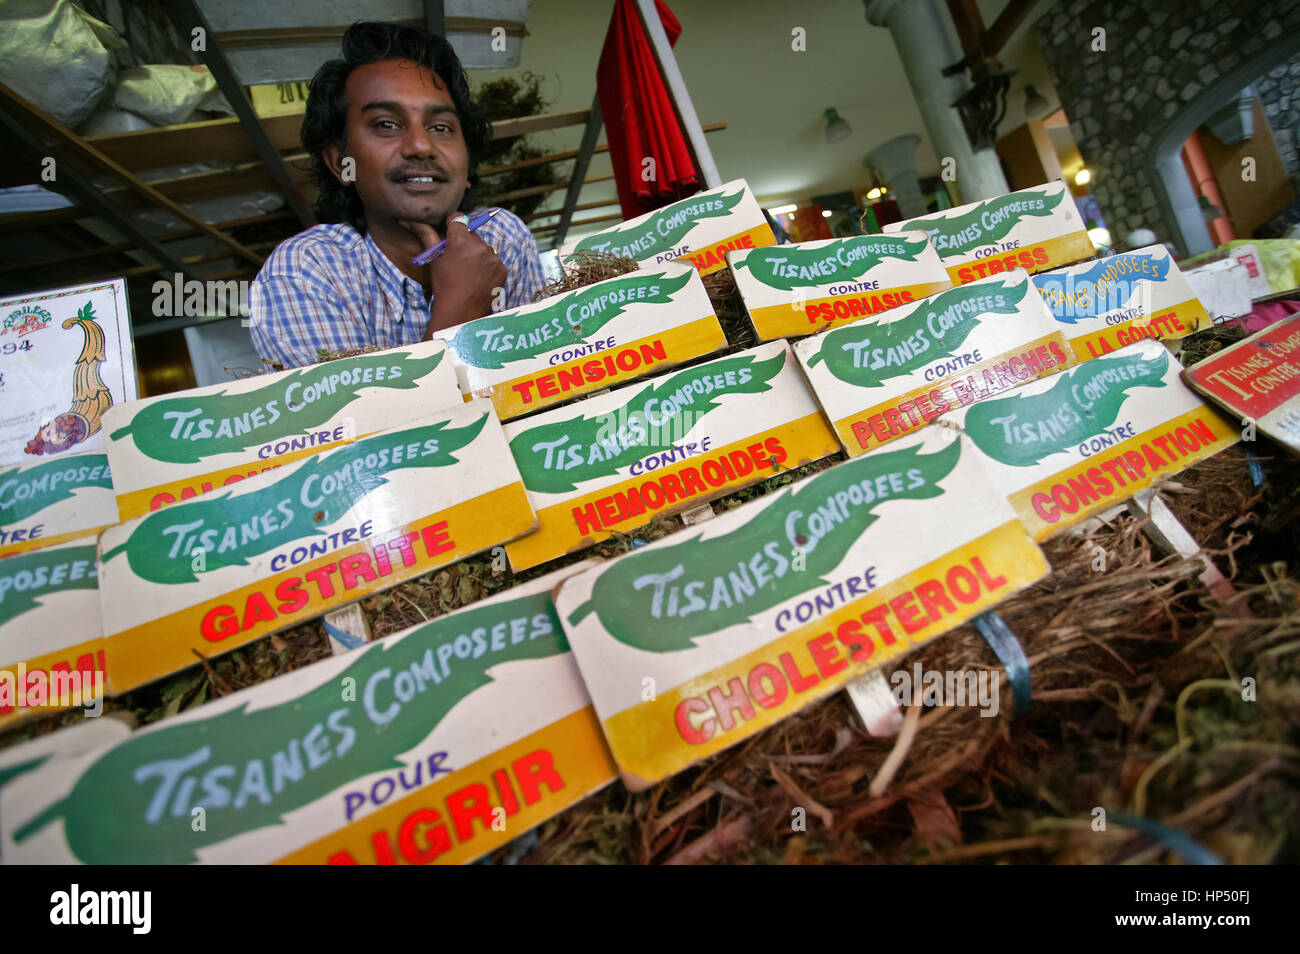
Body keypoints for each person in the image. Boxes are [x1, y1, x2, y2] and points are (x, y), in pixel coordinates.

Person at [249, 21, 546, 370]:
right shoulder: (306, 273)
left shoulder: (503, 238)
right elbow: (364, 423)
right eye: (386, 124)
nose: (421, 146)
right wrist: (458, 307)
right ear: (340, 163)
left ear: (466, 163)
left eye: (441, 128)